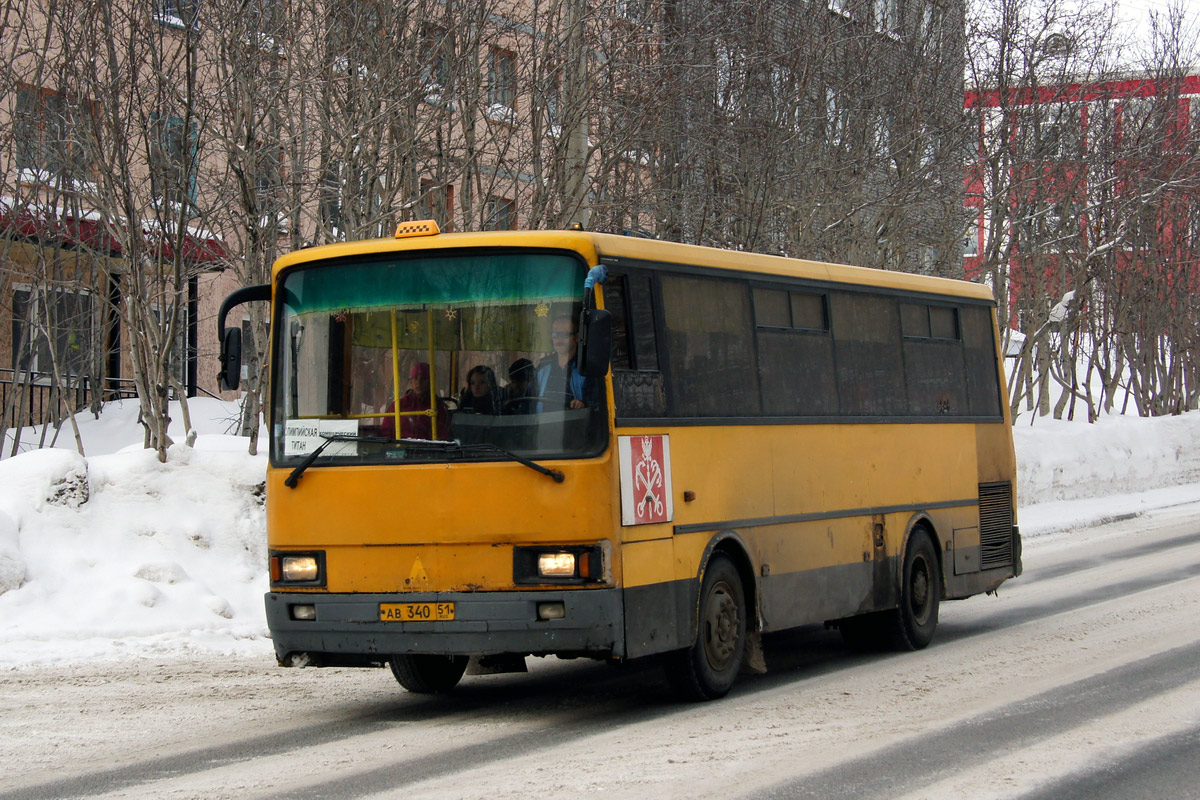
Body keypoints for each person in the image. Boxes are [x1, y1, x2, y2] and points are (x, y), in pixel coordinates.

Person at [381, 362, 452, 440]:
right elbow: (386, 433)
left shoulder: (438, 407)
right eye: (415, 378)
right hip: (401, 450)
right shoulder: (398, 406)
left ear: (430, 382)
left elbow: (443, 435)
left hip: (428, 450)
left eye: (423, 379)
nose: (419, 382)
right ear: (411, 382)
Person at [536, 315, 586, 409]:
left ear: (577, 337)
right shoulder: (543, 367)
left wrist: (582, 403)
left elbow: (596, 402)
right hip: (543, 422)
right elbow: (528, 401)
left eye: (564, 335)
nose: (559, 340)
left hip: (575, 422)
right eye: (555, 335)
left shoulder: (585, 368)